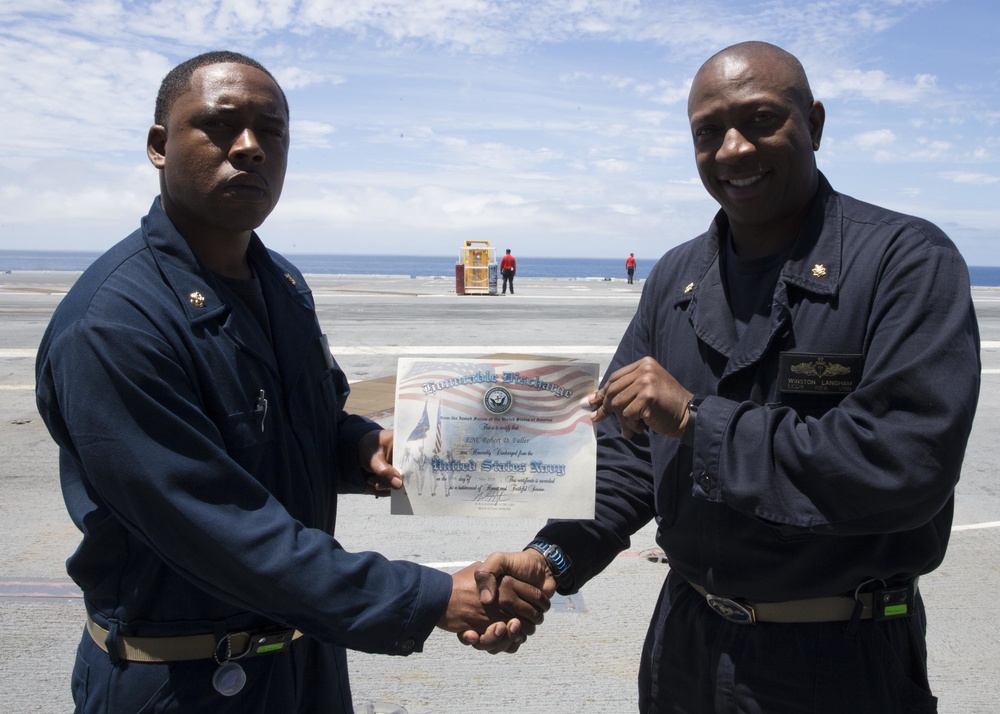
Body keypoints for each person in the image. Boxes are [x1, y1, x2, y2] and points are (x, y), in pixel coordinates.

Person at [34, 51, 550, 714]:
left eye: (271, 131)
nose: (249, 147)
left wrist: (362, 449)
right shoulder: (115, 323)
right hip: (180, 682)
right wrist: (432, 596)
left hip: (302, 664)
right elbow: (216, 528)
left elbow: (309, 422)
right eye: (221, 125)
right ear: (160, 147)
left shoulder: (281, 284)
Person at [477, 41, 981, 712]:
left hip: (841, 660)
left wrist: (696, 418)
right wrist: (548, 561)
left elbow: (902, 466)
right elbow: (625, 463)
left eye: (762, 119)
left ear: (817, 124)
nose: (733, 149)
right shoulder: (675, 279)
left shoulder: (904, 263)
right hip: (687, 651)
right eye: (707, 132)